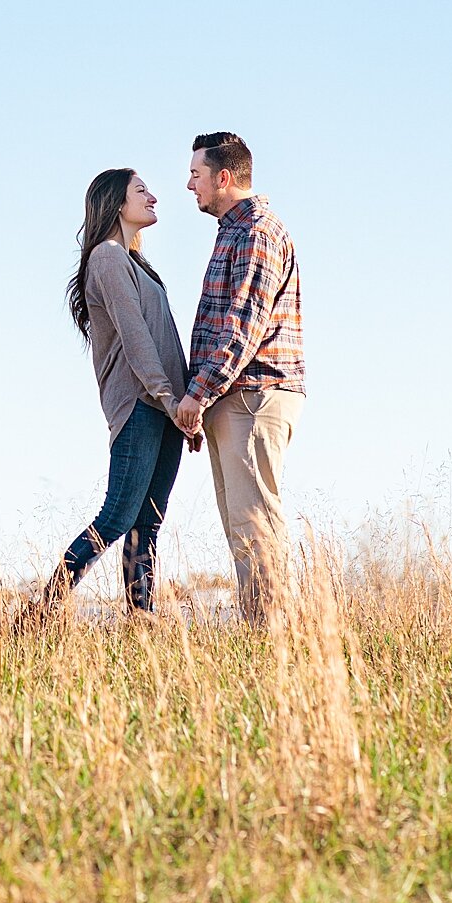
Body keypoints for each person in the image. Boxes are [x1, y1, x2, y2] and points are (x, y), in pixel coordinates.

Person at [42, 168, 194, 615]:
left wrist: (185, 409)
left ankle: (140, 623)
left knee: (147, 526)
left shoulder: (134, 263)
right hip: (141, 406)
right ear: (116, 202)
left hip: (166, 410)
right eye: (141, 190)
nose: (153, 197)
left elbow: (165, 340)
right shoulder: (106, 257)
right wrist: (169, 399)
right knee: (117, 518)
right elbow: (136, 337)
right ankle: (42, 610)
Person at [172, 132, 305, 622]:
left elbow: (243, 325)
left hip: (254, 394)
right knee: (243, 527)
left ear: (223, 178)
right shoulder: (235, 231)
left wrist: (198, 394)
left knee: (255, 526)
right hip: (237, 397)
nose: (189, 185)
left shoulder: (254, 232)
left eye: (196, 175)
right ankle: (262, 639)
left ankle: (274, 644)